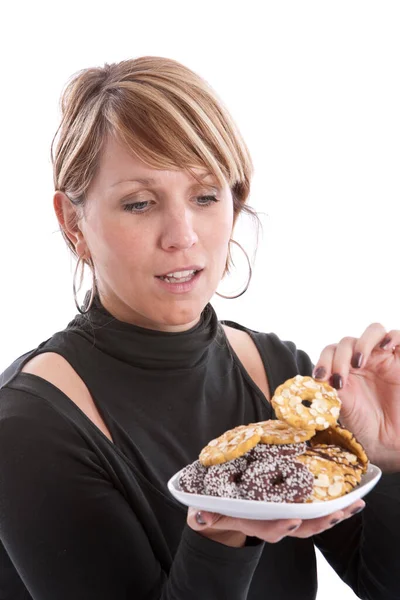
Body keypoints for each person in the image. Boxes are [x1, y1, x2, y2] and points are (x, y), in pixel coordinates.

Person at [0, 56, 399, 600]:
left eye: (206, 196)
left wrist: (390, 457)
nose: (182, 235)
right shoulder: (27, 425)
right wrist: (226, 527)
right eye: (139, 203)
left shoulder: (280, 377)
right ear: (74, 222)